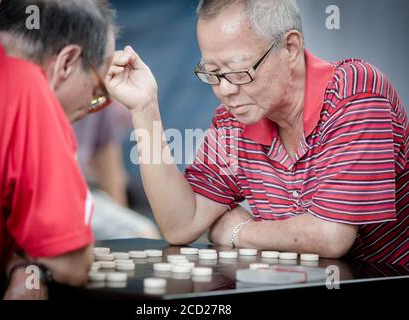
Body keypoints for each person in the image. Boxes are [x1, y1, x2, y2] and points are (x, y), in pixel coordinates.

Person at [105, 0, 408, 265]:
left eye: (238, 71)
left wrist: (238, 231)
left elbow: (331, 236)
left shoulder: (357, 93)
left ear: (290, 47)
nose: (224, 90)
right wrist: (145, 110)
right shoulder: (233, 121)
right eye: (212, 73)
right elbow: (181, 225)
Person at [0, 0, 117, 299]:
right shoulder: (26, 86)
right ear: (67, 62)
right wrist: (25, 267)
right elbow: (70, 263)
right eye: (98, 92)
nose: (90, 108)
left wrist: (18, 263)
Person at [73, 102, 161, 239]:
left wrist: (120, 212)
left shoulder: (100, 102)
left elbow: (109, 164)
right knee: (142, 233)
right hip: (63, 193)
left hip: (87, 190)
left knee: (150, 222)